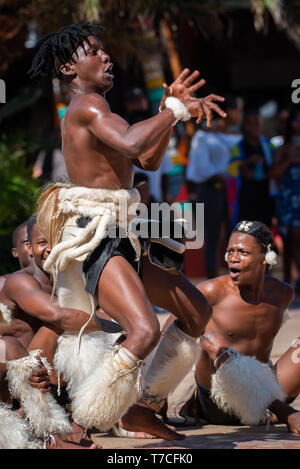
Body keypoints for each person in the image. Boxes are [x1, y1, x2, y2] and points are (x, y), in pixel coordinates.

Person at [28, 22, 227, 438]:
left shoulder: (101, 111)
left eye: (105, 50)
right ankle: (82, 424)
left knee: (195, 312)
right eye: (94, 51)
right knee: (144, 330)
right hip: (98, 234)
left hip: (127, 229)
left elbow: (148, 161)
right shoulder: (87, 108)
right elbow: (135, 144)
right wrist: (174, 111)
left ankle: (141, 406)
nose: (106, 57)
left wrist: (165, 114)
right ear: (68, 67)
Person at [139, 221, 295, 435]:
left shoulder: (282, 293)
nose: (233, 257)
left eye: (243, 252)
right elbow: (171, 335)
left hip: (265, 395)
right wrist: (158, 393)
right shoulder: (210, 291)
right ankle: (283, 411)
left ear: (265, 257)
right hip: (219, 400)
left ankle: (270, 406)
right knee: (211, 343)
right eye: (230, 250)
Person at [0, 215, 103, 449]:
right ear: (26, 248)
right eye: (42, 242)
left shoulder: (72, 279)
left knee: (85, 329)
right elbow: (60, 317)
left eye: (58, 240)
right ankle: (51, 436)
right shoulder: (17, 282)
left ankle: (79, 421)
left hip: (50, 385)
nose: (50, 249)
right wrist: (127, 322)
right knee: (59, 325)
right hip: (20, 386)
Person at [186, 96, 243, 278]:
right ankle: (213, 275)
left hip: (236, 190)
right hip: (213, 189)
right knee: (213, 234)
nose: (239, 115)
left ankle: (236, 274)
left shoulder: (240, 136)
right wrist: (221, 176)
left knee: (236, 233)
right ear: (227, 111)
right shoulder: (204, 135)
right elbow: (200, 165)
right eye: (237, 109)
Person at [228, 110, 276, 228]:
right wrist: (248, 162)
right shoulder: (238, 146)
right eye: (251, 123)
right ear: (245, 125)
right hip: (245, 198)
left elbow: (275, 168)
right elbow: (232, 170)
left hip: (266, 197)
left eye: (257, 123)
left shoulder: (269, 145)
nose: (255, 126)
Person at [269, 108, 300, 294]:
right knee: (290, 241)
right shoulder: (284, 148)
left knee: (294, 241)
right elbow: (272, 173)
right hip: (290, 200)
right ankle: (289, 281)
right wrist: (290, 161)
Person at [0, 221, 31, 291]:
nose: (34, 248)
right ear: (15, 252)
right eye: (27, 243)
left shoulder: (58, 283)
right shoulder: (3, 285)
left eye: (41, 242)